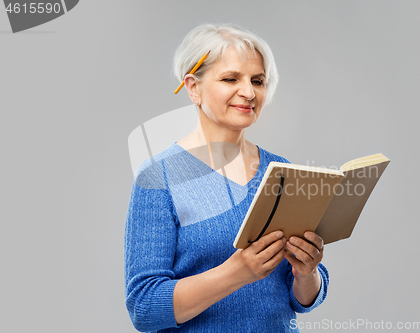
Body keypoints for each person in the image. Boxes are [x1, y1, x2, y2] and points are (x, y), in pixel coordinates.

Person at [124, 23, 329, 332]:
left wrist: (307, 272)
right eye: (230, 78)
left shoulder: (280, 170)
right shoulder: (159, 178)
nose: (248, 92)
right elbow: (144, 307)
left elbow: (303, 297)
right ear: (193, 87)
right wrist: (236, 272)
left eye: (257, 81)